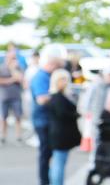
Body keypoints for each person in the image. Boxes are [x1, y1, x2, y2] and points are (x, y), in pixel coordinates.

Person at [31, 45, 65, 185]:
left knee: (48, 153)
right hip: (42, 121)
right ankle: (44, 181)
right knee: (45, 153)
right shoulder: (40, 77)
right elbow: (41, 99)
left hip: (47, 120)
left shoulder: (47, 76)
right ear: (51, 64)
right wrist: (57, 94)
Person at [45, 69, 81, 185]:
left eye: (66, 79)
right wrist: (77, 114)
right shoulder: (57, 97)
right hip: (60, 135)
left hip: (59, 134)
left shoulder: (60, 96)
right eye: (62, 79)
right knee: (58, 163)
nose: (65, 82)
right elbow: (63, 114)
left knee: (58, 162)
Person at [1, 43, 25, 144]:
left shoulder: (18, 67)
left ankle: (18, 136)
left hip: (16, 96)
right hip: (4, 96)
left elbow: (20, 79)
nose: (13, 59)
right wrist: (11, 80)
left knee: (18, 116)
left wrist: (13, 69)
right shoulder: (1, 68)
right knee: (3, 117)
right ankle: (3, 135)